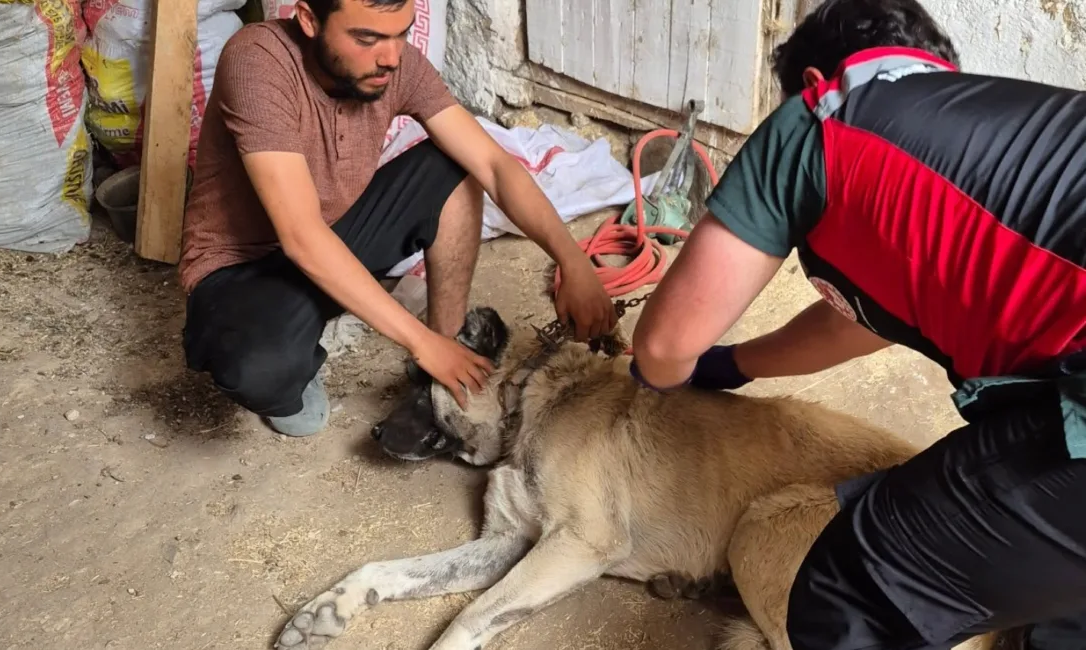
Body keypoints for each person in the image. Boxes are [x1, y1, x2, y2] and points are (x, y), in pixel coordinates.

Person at [629, 1, 1086, 649]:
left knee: (856, 586)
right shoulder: (976, 128)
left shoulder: (825, 114)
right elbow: (861, 321)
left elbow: (662, 346)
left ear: (812, 73)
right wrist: (733, 364)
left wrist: (665, 369)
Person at [177, 0, 617, 437]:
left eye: (400, 33)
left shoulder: (395, 63)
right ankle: (304, 356)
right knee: (259, 369)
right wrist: (419, 344)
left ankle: (448, 340)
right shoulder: (258, 61)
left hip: (334, 236)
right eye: (366, 38)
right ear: (310, 20)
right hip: (242, 269)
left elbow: (495, 167)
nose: (390, 57)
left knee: (452, 165)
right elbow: (301, 236)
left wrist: (572, 262)